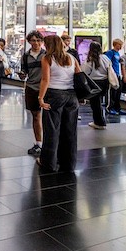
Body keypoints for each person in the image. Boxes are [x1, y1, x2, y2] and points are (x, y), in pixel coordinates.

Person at [37, 35, 81, 173]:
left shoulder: (47, 58)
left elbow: (45, 80)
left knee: (52, 130)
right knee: (70, 131)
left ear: (48, 45)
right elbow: (79, 76)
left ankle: (48, 163)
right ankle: (68, 163)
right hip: (72, 96)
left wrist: (40, 98)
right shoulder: (72, 58)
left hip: (54, 95)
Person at [19, 30, 45, 155]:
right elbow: (24, 73)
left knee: (49, 117)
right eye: (33, 40)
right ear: (29, 42)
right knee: (36, 115)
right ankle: (39, 143)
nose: (36, 43)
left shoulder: (46, 55)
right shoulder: (25, 56)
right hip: (31, 87)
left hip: (46, 89)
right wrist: (22, 75)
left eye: (38, 40)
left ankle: (49, 142)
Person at [83, 42, 113, 130]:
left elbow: (85, 71)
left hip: (94, 83)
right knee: (99, 103)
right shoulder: (105, 58)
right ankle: (100, 121)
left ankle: (99, 122)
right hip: (105, 82)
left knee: (95, 104)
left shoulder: (90, 59)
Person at [104, 39, 126, 115]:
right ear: (115, 44)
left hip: (118, 75)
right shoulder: (110, 52)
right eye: (119, 45)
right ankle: (109, 108)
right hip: (112, 75)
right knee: (112, 93)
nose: (120, 47)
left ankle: (117, 108)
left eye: (121, 45)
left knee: (118, 92)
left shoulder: (117, 54)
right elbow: (106, 62)